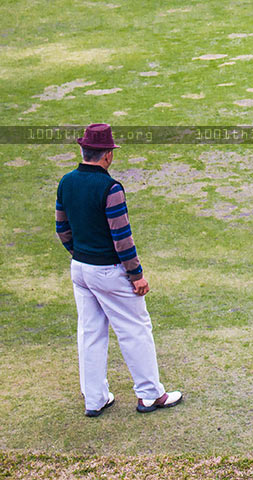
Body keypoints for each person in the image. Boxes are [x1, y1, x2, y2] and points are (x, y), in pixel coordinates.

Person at [55, 123, 182, 416]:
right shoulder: (110, 188)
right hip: (108, 271)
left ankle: (95, 399)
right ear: (107, 155)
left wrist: (80, 255)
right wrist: (136, 276)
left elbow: (62, 228)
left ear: (83, 149)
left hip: (80, 268)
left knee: (90, 332)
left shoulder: (66, 182)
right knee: (135, 329)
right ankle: (150, 395)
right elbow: (122, 238)